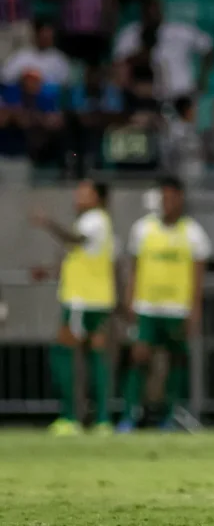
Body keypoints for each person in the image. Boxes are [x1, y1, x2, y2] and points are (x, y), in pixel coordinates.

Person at [118, 176, 211, 433]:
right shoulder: (142, 229)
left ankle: (170, 416)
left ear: (180, 199)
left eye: (172, 197)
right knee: (139, 358)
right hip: (146, 306)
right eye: (163, 198)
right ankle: (130, 414)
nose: (167, 203)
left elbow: (198, 277)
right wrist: (129, 298)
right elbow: (133, 269)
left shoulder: (193, 233)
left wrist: (195, 310)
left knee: (176, 361)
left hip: (177, 308)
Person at [31, 180, 116, 436]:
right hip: (97, 299)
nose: (77, 198)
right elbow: (80, 255)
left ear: (99, 198)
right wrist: (50, 272)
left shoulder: (95, 219)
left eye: (84, 194)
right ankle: (101, 419)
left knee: (64, 354)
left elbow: (74, 239)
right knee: (96, 357)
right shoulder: (99, 223)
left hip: (82, 299)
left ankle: (71, 417)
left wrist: (48, 223)